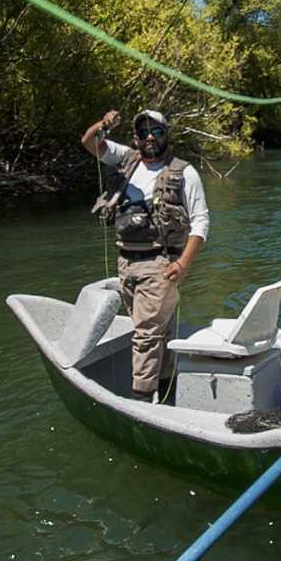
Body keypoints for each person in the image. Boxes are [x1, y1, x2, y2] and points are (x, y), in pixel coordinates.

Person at [81, 108, 211, 399]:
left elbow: (201, 222)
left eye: (156, 131)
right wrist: (102, 124)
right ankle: (167, 393)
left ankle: (140, 404)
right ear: (135, 137)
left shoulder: (184, 172)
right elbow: (89, 142)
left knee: (145, 337)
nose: (149, 137)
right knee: (156, 335)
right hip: (126, 263)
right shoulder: (126, 159)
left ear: (167, 134)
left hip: (160, 265)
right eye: (143, 132)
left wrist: (182, 263)